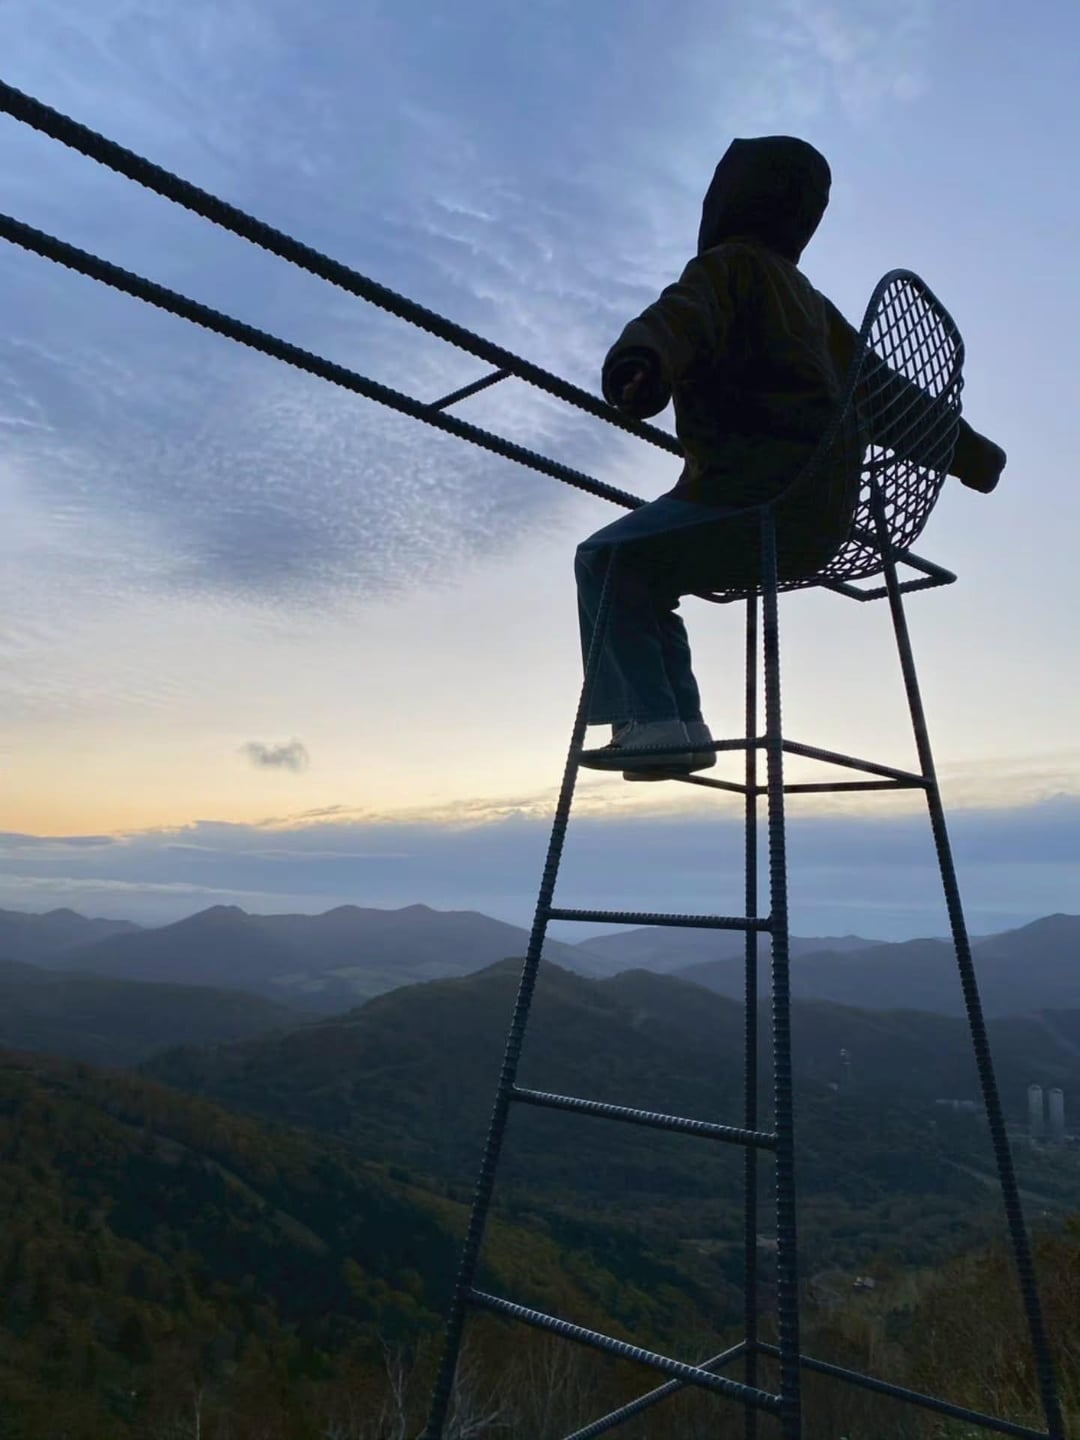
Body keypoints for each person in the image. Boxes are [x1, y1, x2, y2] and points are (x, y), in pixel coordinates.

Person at [576, 135, 1006, 780]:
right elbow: (893, 398)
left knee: (605, 559)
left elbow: (680, 318)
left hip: (748, 498)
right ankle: (674, 727)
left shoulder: (728, 266)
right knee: (644, 570)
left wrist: (640, 363)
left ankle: (655, 720)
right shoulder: (818, 311)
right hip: (824, 522)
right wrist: (972, 455)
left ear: (728, 200)